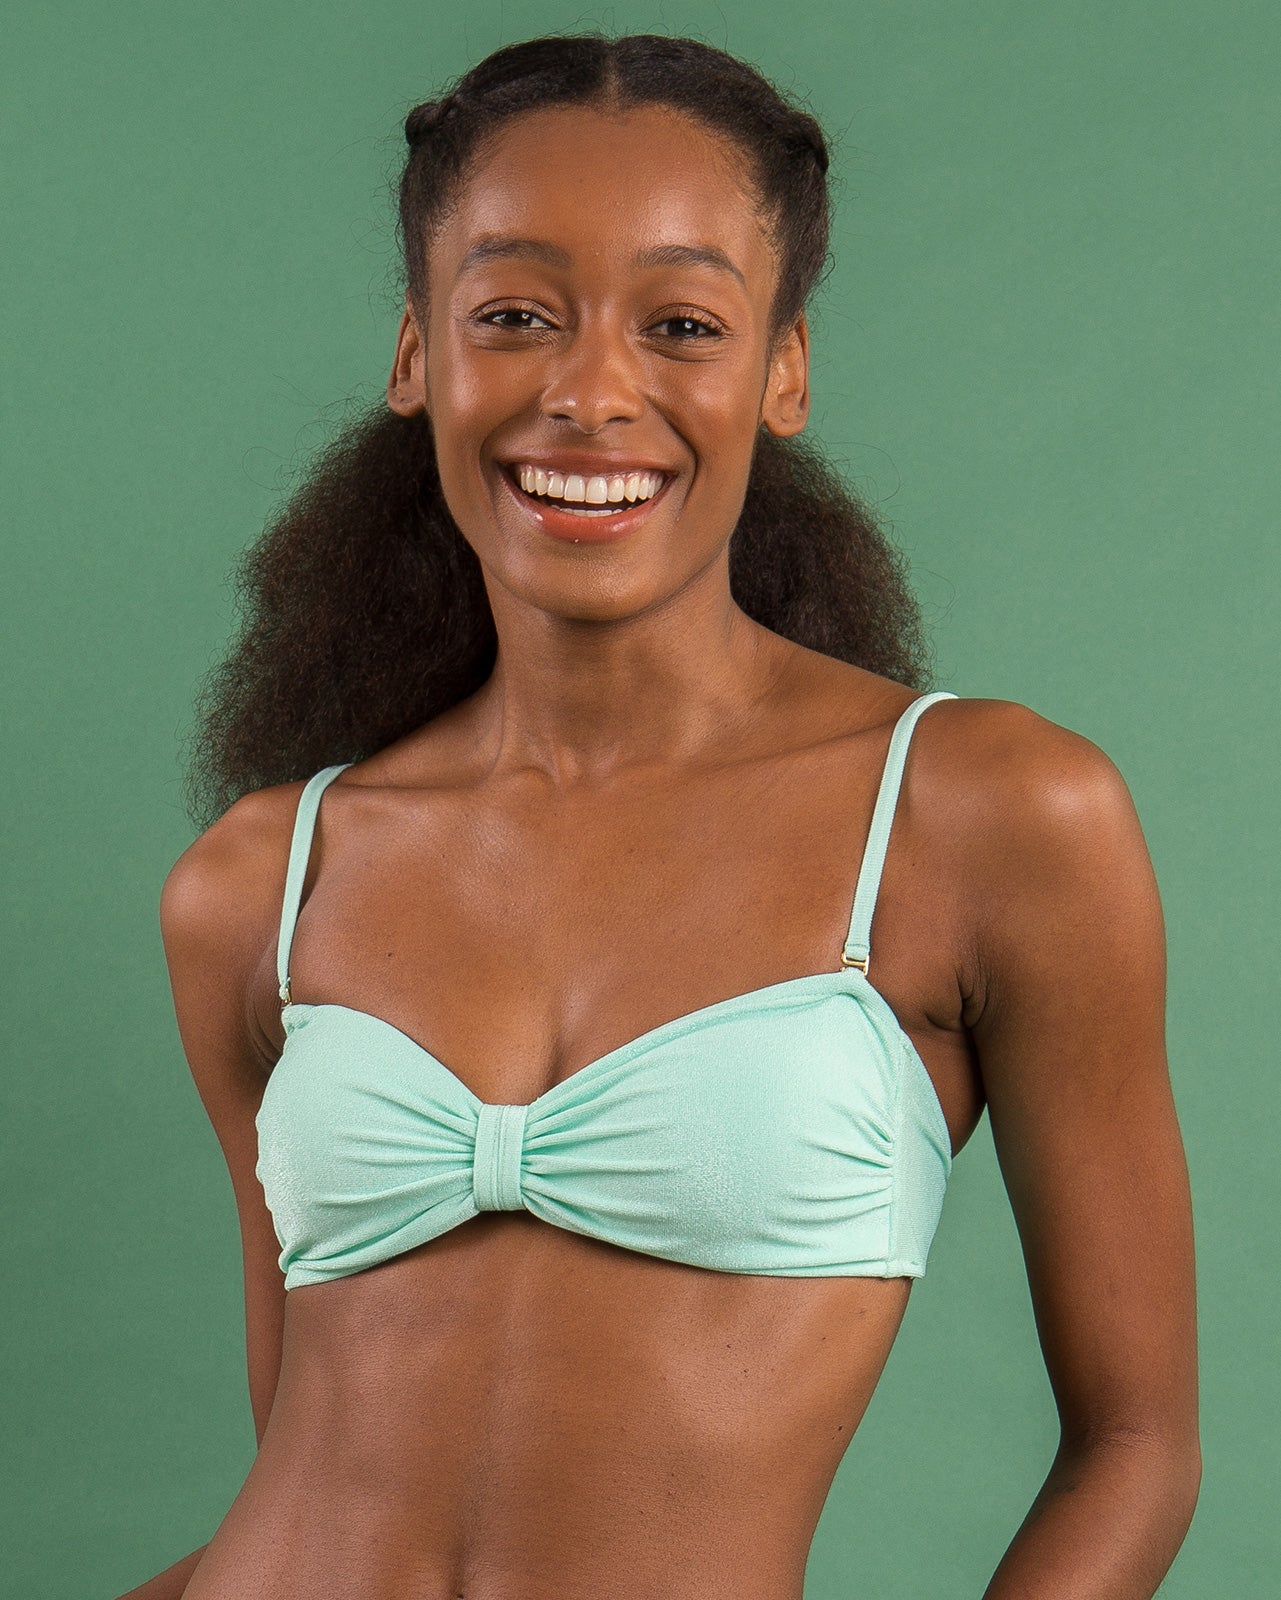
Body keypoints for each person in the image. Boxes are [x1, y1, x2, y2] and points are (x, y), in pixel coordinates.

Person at [119, 32, 1199, 1600]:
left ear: (782, 372)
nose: (588, 391)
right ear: (417, 355)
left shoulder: (984, 815)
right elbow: (302, 1440)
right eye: (512, 315)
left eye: (681, 324)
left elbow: (1137, 1447)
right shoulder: (257, 882)